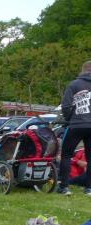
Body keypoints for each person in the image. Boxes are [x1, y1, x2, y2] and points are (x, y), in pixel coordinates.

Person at [57, 60, 91, 195]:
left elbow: (66, 106)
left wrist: (69, 118)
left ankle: (64, 187)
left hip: (76, 124)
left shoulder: (74, 84)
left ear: (83, 70)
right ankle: (89, 188)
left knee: (66, 154)